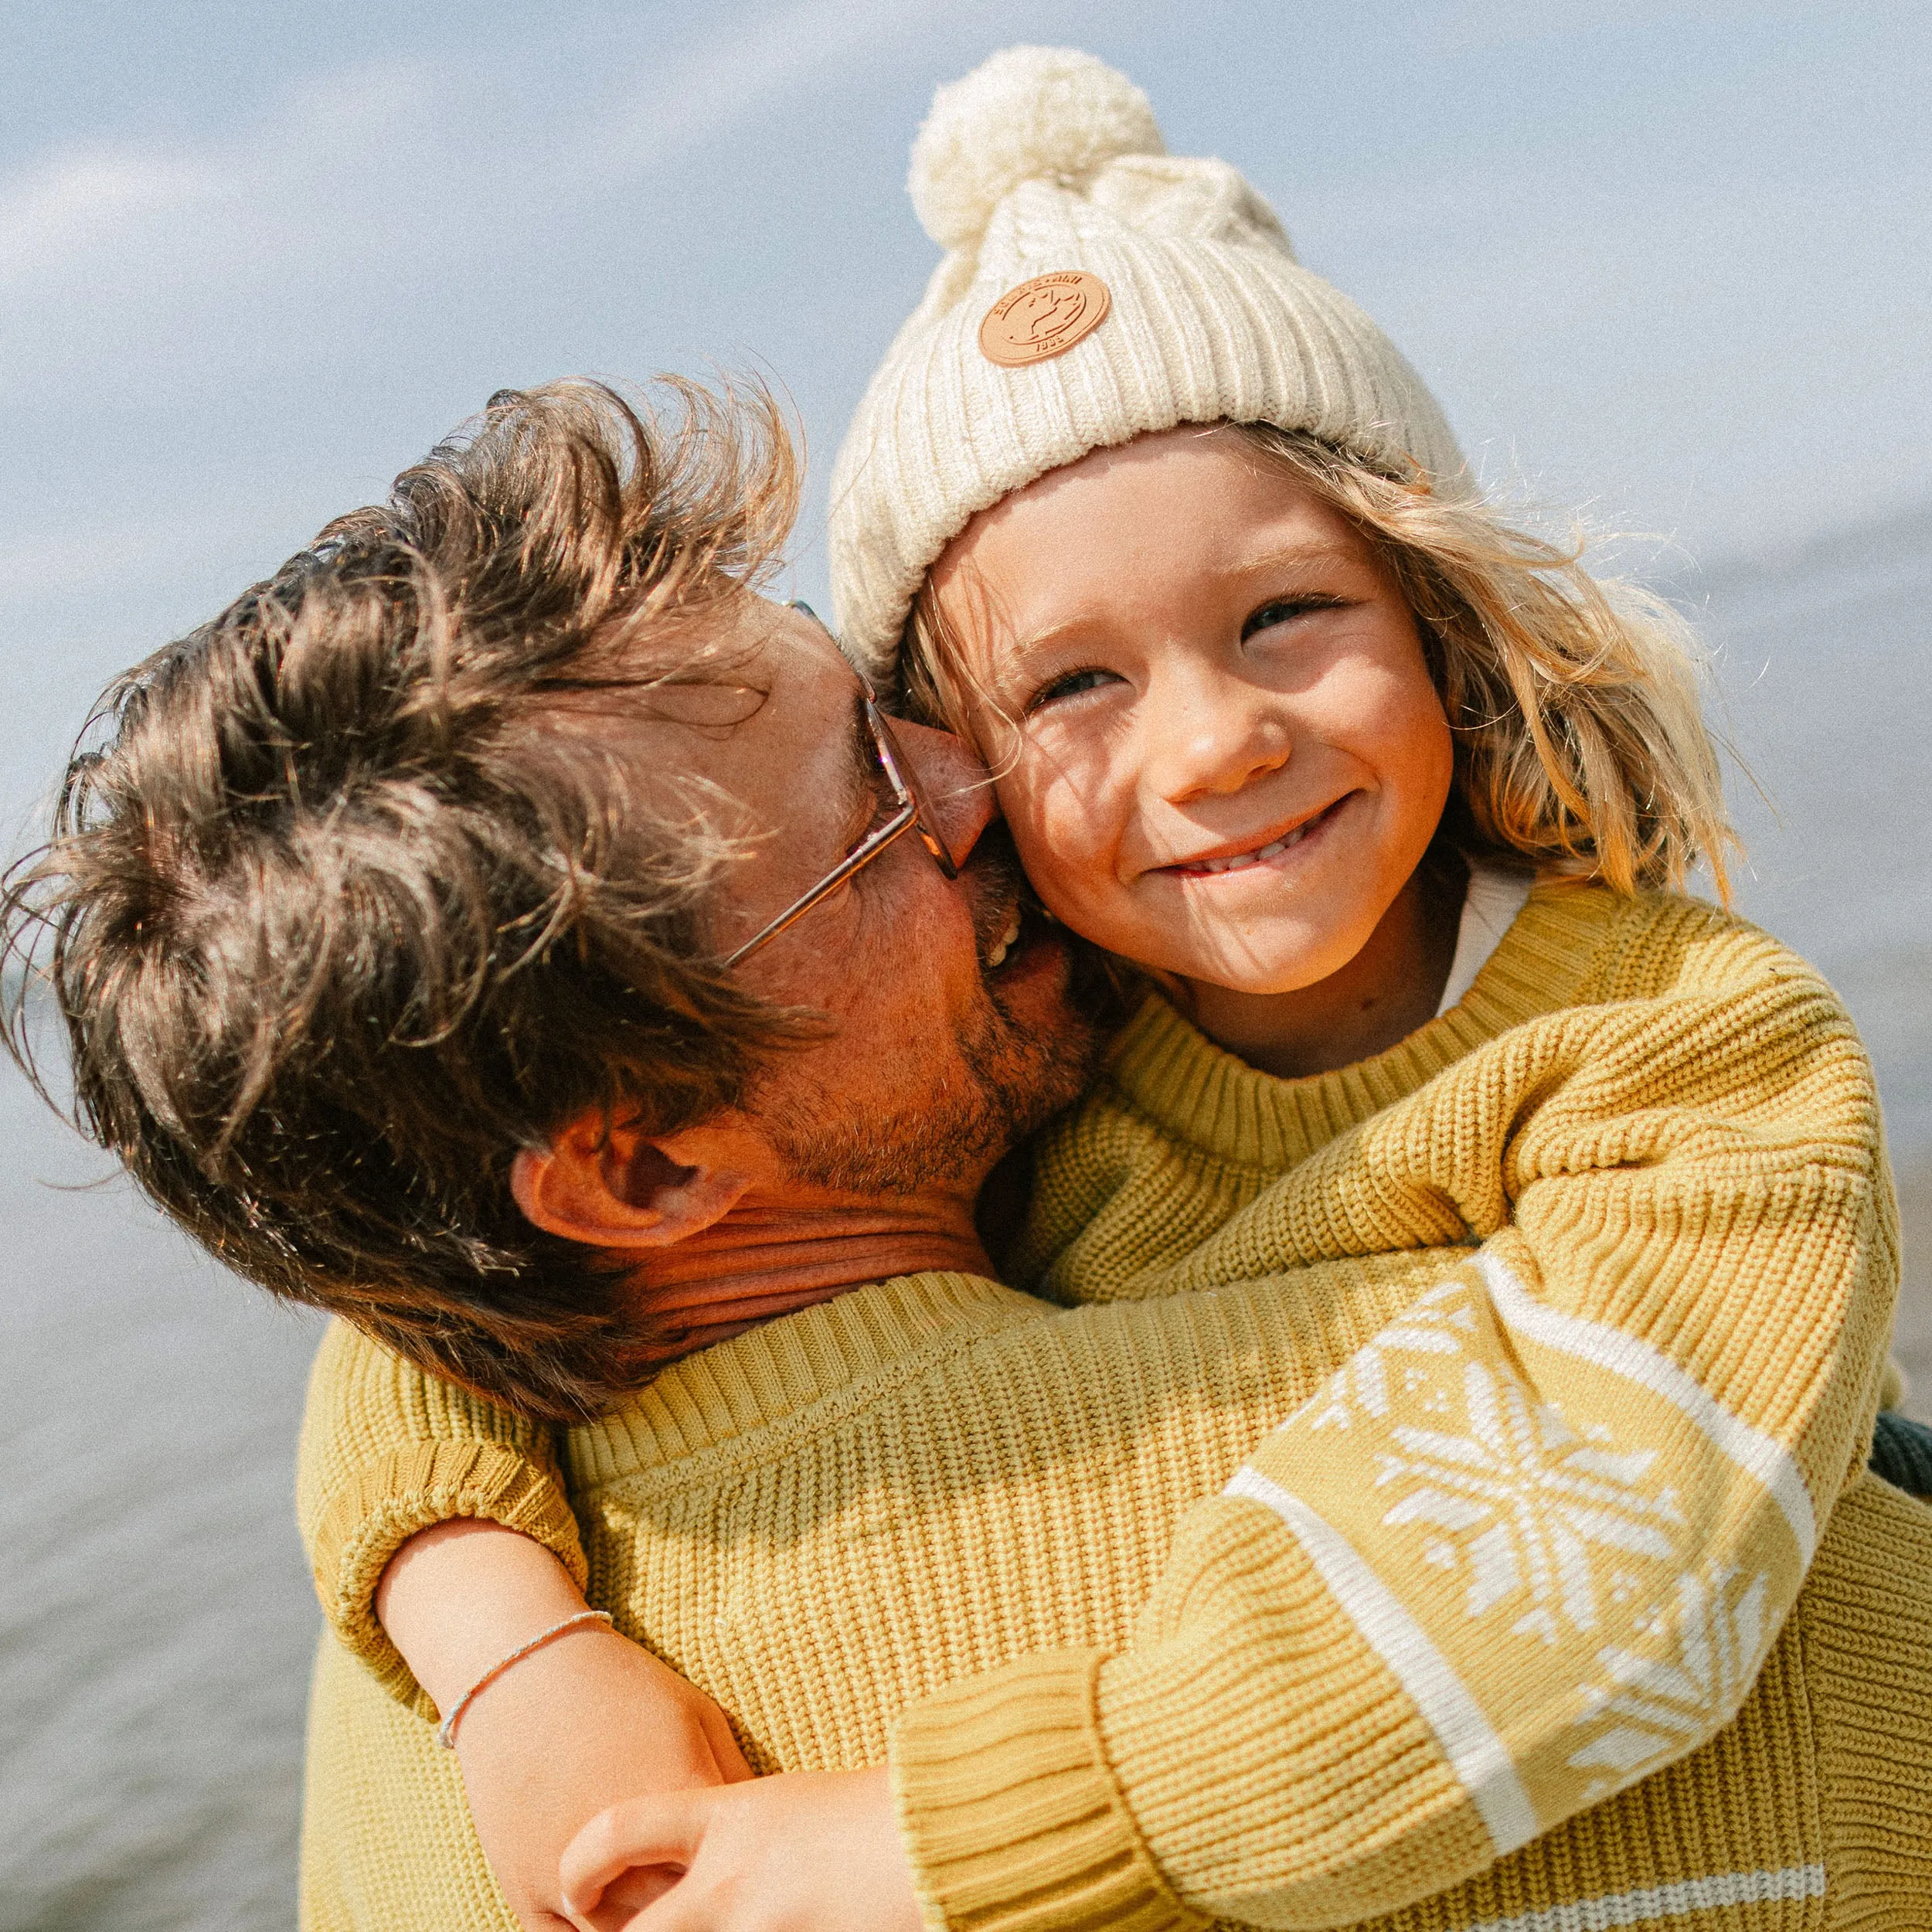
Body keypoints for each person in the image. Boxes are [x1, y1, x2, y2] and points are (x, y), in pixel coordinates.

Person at [6, 53, 1929, 1932]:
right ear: (643, 1174)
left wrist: (496, 1627)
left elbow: (417, 1312)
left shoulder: (431, 1722)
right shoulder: (1761, 1607)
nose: (977, 788)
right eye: (881, 788)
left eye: (893, 714)